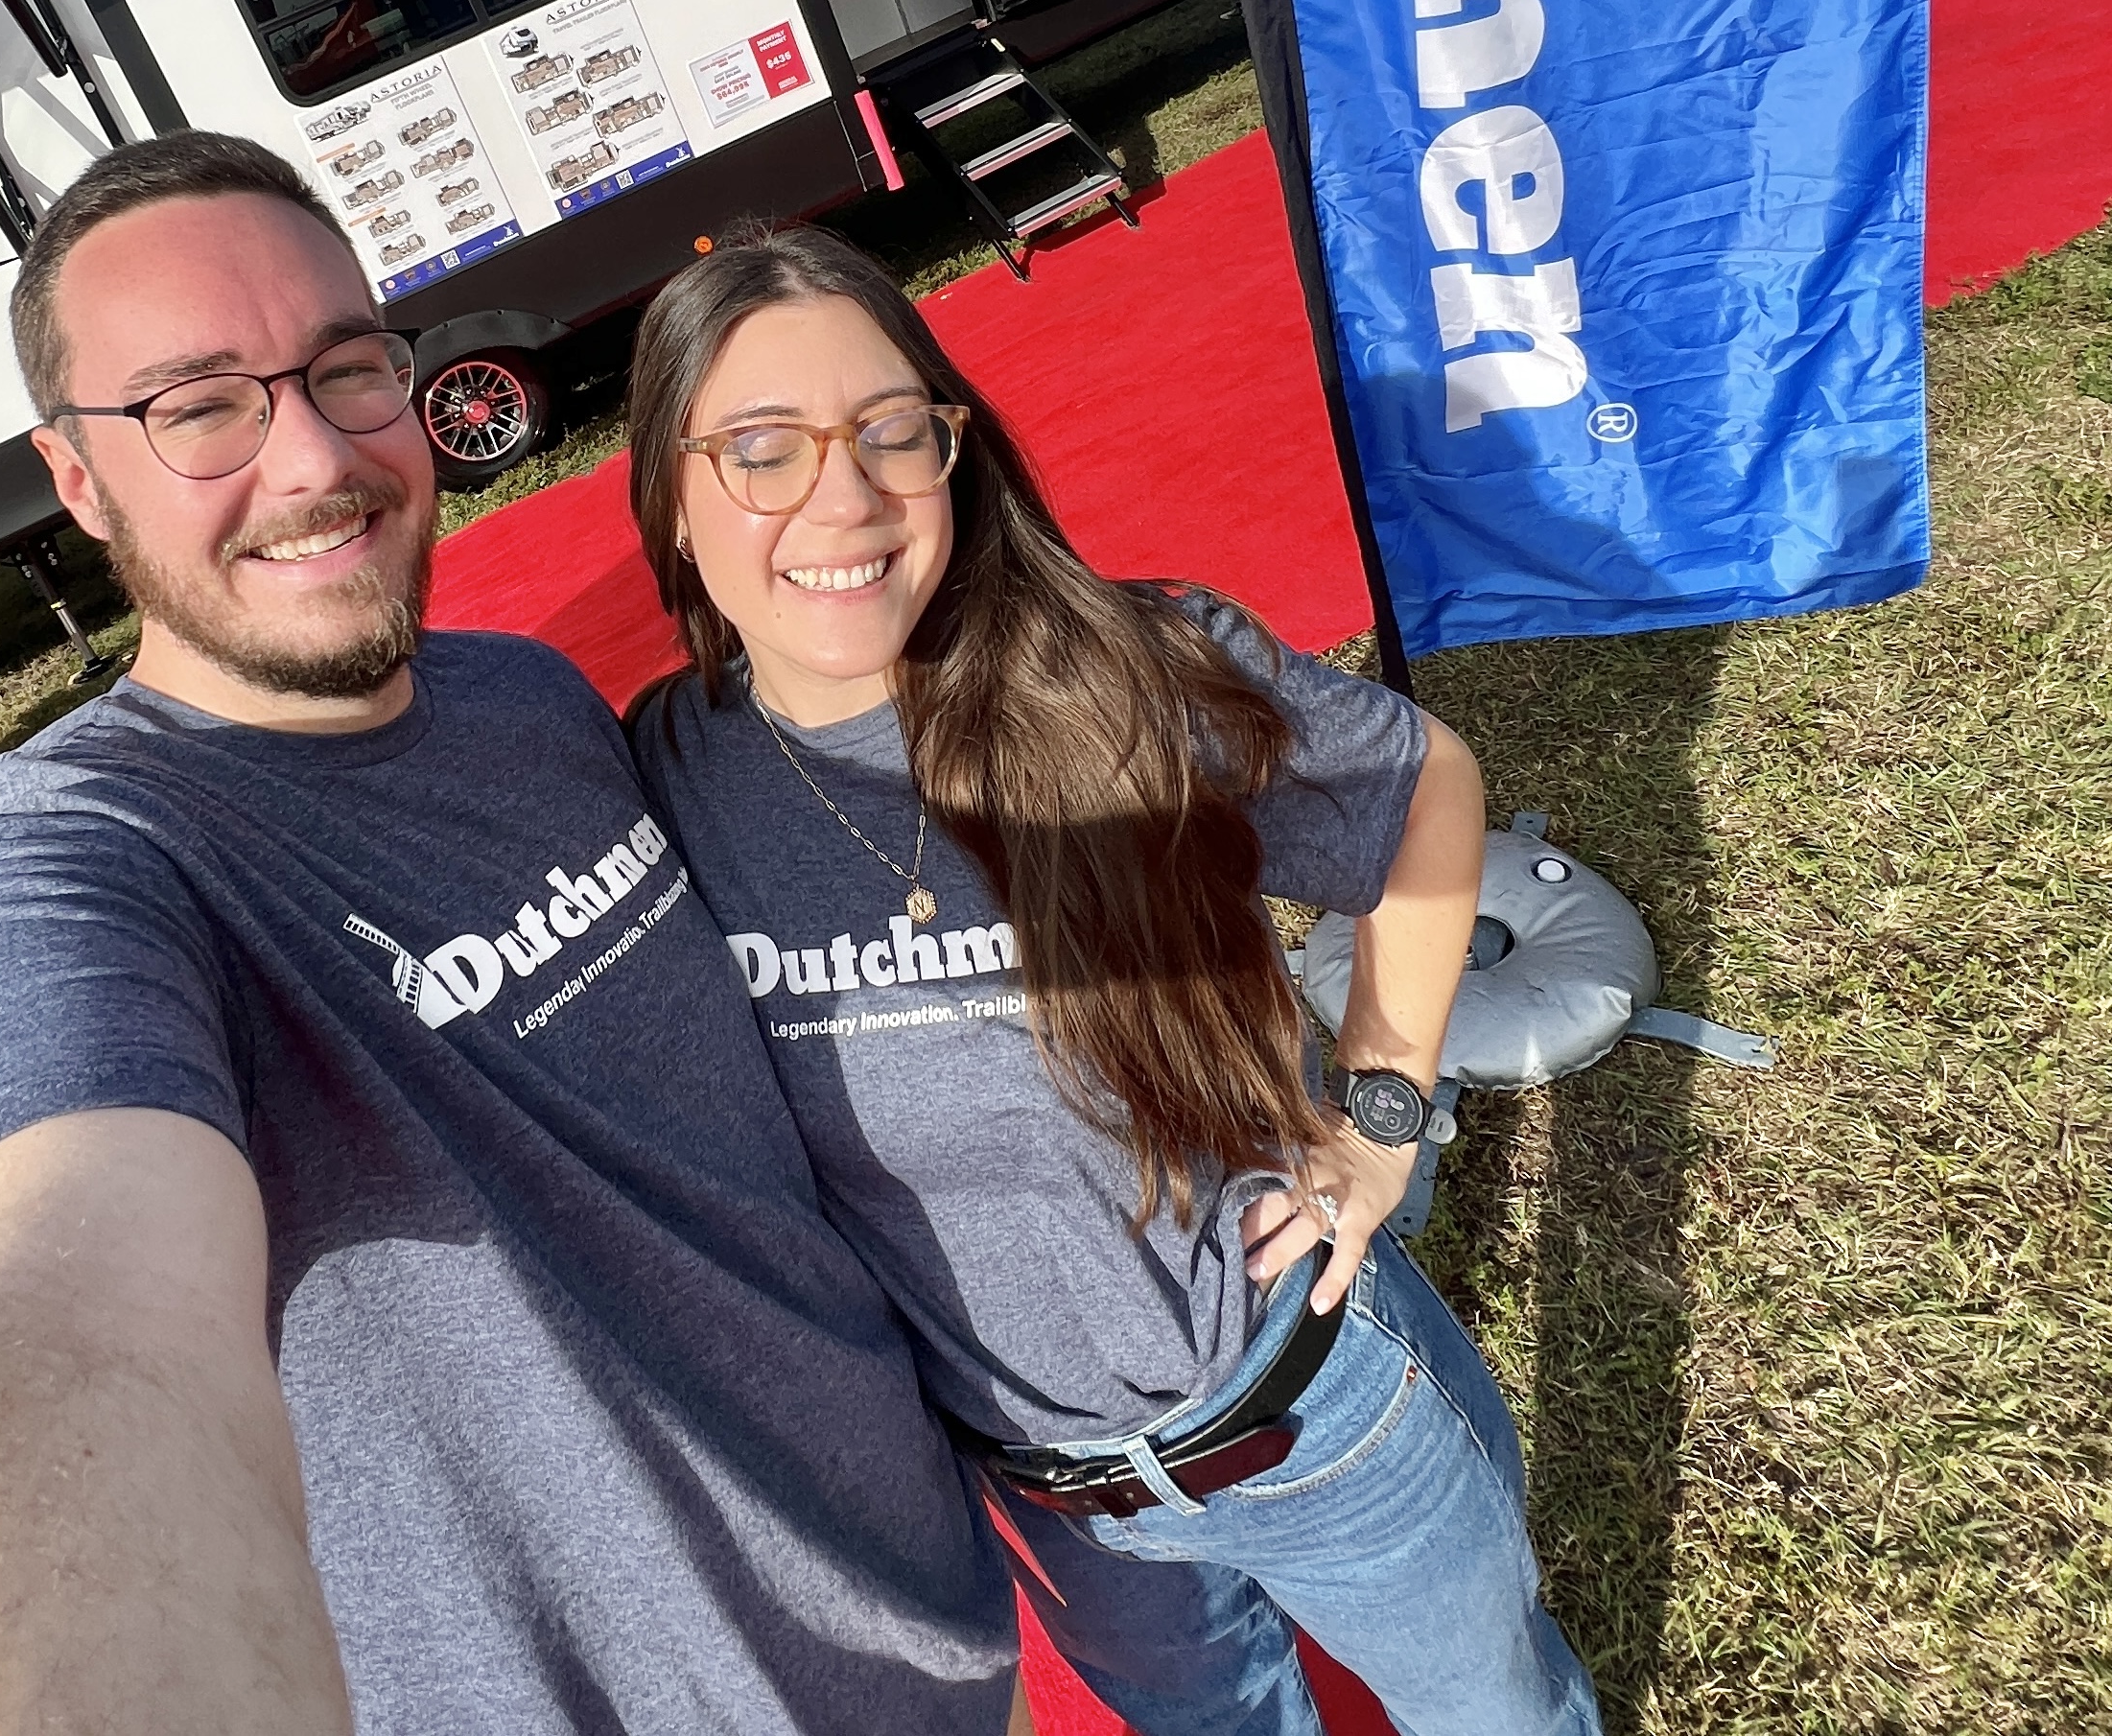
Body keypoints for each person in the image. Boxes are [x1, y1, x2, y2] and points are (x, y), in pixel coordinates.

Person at [0, 136, 1020, 1733]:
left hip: (941, 1624)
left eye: (346, 369)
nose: (314, 458)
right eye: (197, 407)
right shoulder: (67, 859)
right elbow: (50, 1301)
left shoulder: (528, 698)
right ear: (77, 478)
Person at [622, 223, 1602, 1736]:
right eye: (762, 449)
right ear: (675, 502)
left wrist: (1385, 1115)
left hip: (1311, 1416)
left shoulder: (1123, 672)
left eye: (893, 431)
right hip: (1065, 1518)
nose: (846, 493)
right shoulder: (662, 780)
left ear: (955, 451)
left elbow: (1426, 786)